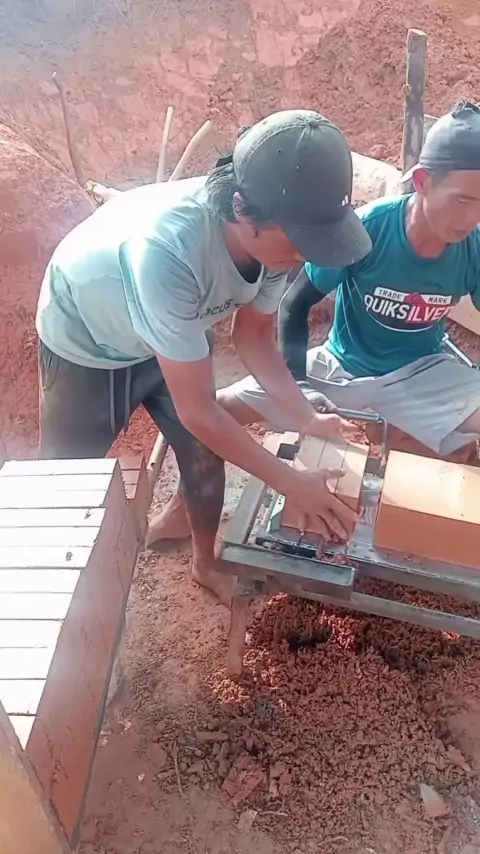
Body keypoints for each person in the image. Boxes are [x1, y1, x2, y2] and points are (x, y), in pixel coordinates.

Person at [36, 109, 372, 605]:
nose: (306, 256)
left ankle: (205, 563)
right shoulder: (167, 249)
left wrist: (306, 416)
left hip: (177, 328)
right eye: (301, 241)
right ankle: (59, 595)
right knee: (65, 479)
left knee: (205, 453)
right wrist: (290, 482)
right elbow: (197, 410)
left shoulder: (275, 244)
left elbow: (254, 338)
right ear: (241, 208)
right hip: (89, 339)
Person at [220, 101, 480, 463]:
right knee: (223, 407)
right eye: (462, 200)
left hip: (424, 372)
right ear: (423, 182)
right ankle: (189, 501)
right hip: (343, 368)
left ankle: (417, 447)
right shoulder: (369, 229)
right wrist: (300, 385)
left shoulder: (474, 248)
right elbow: (296, 304)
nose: (471, 217)